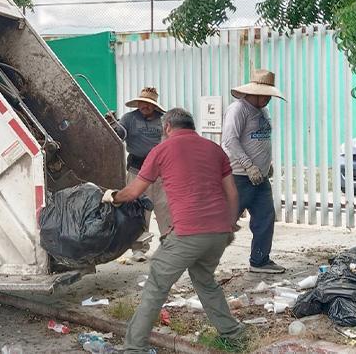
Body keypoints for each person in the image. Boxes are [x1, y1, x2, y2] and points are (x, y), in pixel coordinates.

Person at [102, 108, 246, 353]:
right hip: (218, 234)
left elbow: (134, 192)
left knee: (156, 287)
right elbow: (232, 193)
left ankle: (133, 348)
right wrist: (230, 224)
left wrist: (111, 196)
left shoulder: (161, 150)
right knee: (205, 281)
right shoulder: (215, 149)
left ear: (167, 126)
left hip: (190, 234)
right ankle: (234, 335)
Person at [221, 69, 286, 274]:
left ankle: (260, 260)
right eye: (265, 95)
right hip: (240, 176)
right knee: (224, 222)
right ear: (254, 92)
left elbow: (260, 139)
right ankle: (200, 259)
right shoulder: (238, 110)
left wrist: (267, 164)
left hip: (260, 177)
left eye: (270, 96)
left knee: (265, 218)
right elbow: (229, 140)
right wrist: (249, 165)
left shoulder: (263, 111)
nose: (268, 99)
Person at [110, 87, 171, 261]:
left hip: (161, 174)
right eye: (142, 103)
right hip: (137, 171)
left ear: (155, 106)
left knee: (165, 208)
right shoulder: (129, 119)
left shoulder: (165, 120)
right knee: (138, 211)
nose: (145, 106)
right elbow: (119, 134)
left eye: (149, 104)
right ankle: (139, 248)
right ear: (138, 103)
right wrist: (113, 127)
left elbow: (172, 142)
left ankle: (168, 247)